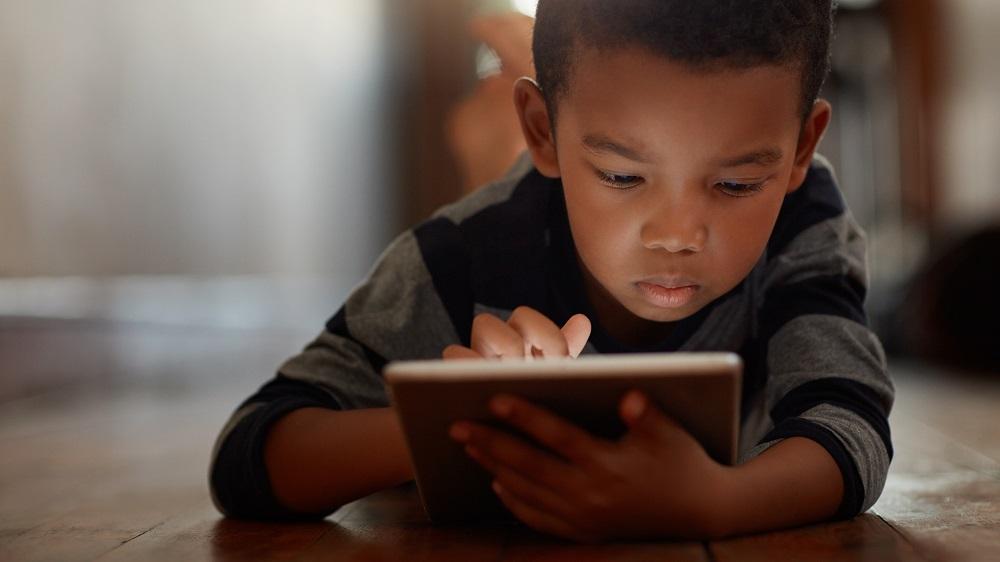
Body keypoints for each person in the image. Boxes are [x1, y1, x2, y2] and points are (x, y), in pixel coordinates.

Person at [209, 0, 893, 543]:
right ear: (542, 129)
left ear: (802, 146)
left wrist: (714, 504)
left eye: (738, 184)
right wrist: (461, 416)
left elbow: (847, 422)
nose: (678, 236)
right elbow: (251, 455)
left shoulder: (803, 219)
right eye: (623, 175)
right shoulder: (460, 256)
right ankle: (489, 147)